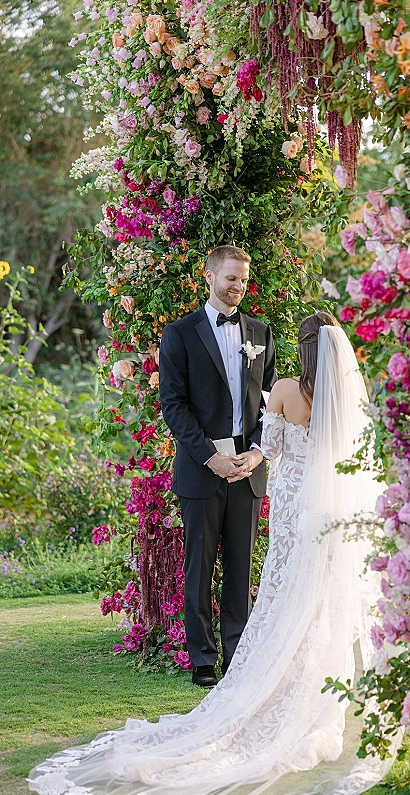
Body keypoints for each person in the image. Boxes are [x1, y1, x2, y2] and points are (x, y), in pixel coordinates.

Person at [28, 314, 402, 795]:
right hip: (332, 520)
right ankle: (319, 711)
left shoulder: (289, 389)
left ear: (305, 348)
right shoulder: (348, 405)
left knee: (285, 601)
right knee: (321, 610)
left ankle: (275, 699)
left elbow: (267, 450)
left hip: (295, 517)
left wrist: (240, 463)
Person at [158, 245, 276, 687]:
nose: (238, 287)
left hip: (247, 472)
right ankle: (203, 660)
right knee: (200, 568)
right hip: (202, 470)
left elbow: (272, 408)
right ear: (209, 277)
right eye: (230, 278)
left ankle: (238, 658)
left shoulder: (261, 333)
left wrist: (258, 452)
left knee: (240, 568)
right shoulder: (180, 334)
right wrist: (212, 457)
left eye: (243, 280)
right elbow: (174, 406)